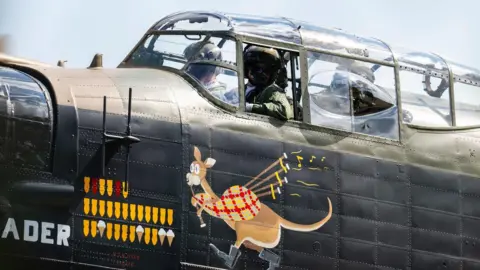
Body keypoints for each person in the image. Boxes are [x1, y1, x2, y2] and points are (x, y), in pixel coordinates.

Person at [242, 45, 293, 121]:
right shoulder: (241, 89)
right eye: (257, 68)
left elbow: (284, 110)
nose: (262, 73)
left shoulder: (272, 90)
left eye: (266, 70)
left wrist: (252, 107)